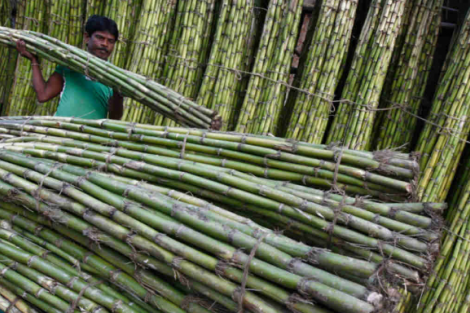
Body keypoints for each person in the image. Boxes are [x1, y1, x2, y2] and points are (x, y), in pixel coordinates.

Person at [15, 15, 123, 120]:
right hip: (60, 132)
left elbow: (115, 117)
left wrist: (118, 91)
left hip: (90, 136)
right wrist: (34, 60)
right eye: (100, 38)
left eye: (110, 41)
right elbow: (43, 95)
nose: (105, 44)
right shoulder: (70, 64)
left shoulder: (114, 76)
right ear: (87, 37)